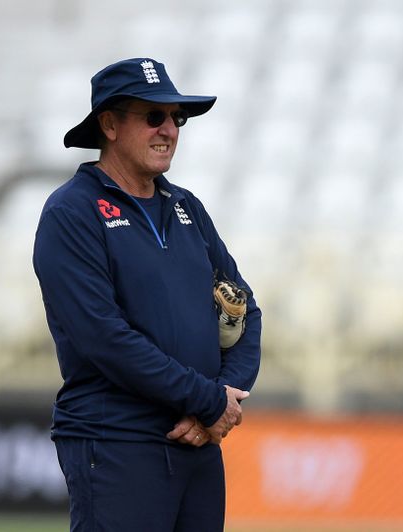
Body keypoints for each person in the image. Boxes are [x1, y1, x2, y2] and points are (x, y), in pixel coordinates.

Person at [32, 58, 261, 531]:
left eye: (176, 118)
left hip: (198, 443)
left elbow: (245, 313)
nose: (169, 130)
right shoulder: (70, 213)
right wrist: (209, 401)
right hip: (116, 444)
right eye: (153, 116)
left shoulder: (186, 208)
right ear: (109, 124)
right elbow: (105, 338)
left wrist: (215, 406)